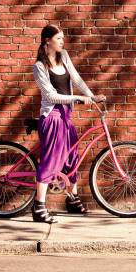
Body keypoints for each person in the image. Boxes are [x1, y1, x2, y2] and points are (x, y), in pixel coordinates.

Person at [32, 24, 106, 223]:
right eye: (59, 38)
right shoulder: (39, 66)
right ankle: (38, 207)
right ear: (47, 41)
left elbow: (77, 79)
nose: (62, 42)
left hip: (66, 117)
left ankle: (72, 199)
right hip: (52, 117)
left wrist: (91, 96)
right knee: (51, 161)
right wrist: (77, 99)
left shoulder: (63, 56)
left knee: (72, 157)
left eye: (62, 38)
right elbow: (50, 95)